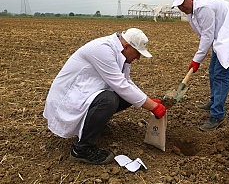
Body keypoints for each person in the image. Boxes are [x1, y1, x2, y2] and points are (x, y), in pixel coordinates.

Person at [43, 28, 166, 165]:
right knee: (108, 100)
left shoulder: (121, 54)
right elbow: (120, 85)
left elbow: (126, 82)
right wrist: (153, 106)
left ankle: (94, 125)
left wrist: (147, 101)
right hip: (68, 98)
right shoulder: (102, 49)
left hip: (86, 92)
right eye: (137, 53)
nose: (138, 58)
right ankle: (81, 149)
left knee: (125, 97)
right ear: (127, 46)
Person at [172, 0, 229, 132]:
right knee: (212, 71)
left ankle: (217, 115)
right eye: (178, 6)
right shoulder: (191, 9)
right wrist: (199, 57)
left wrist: (197, 59)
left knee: (221, 75)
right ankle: (214, 101)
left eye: (182, 3)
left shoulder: (203, 7)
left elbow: (207, 35)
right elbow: (203, 33)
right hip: (221, 38)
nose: (181, 8)